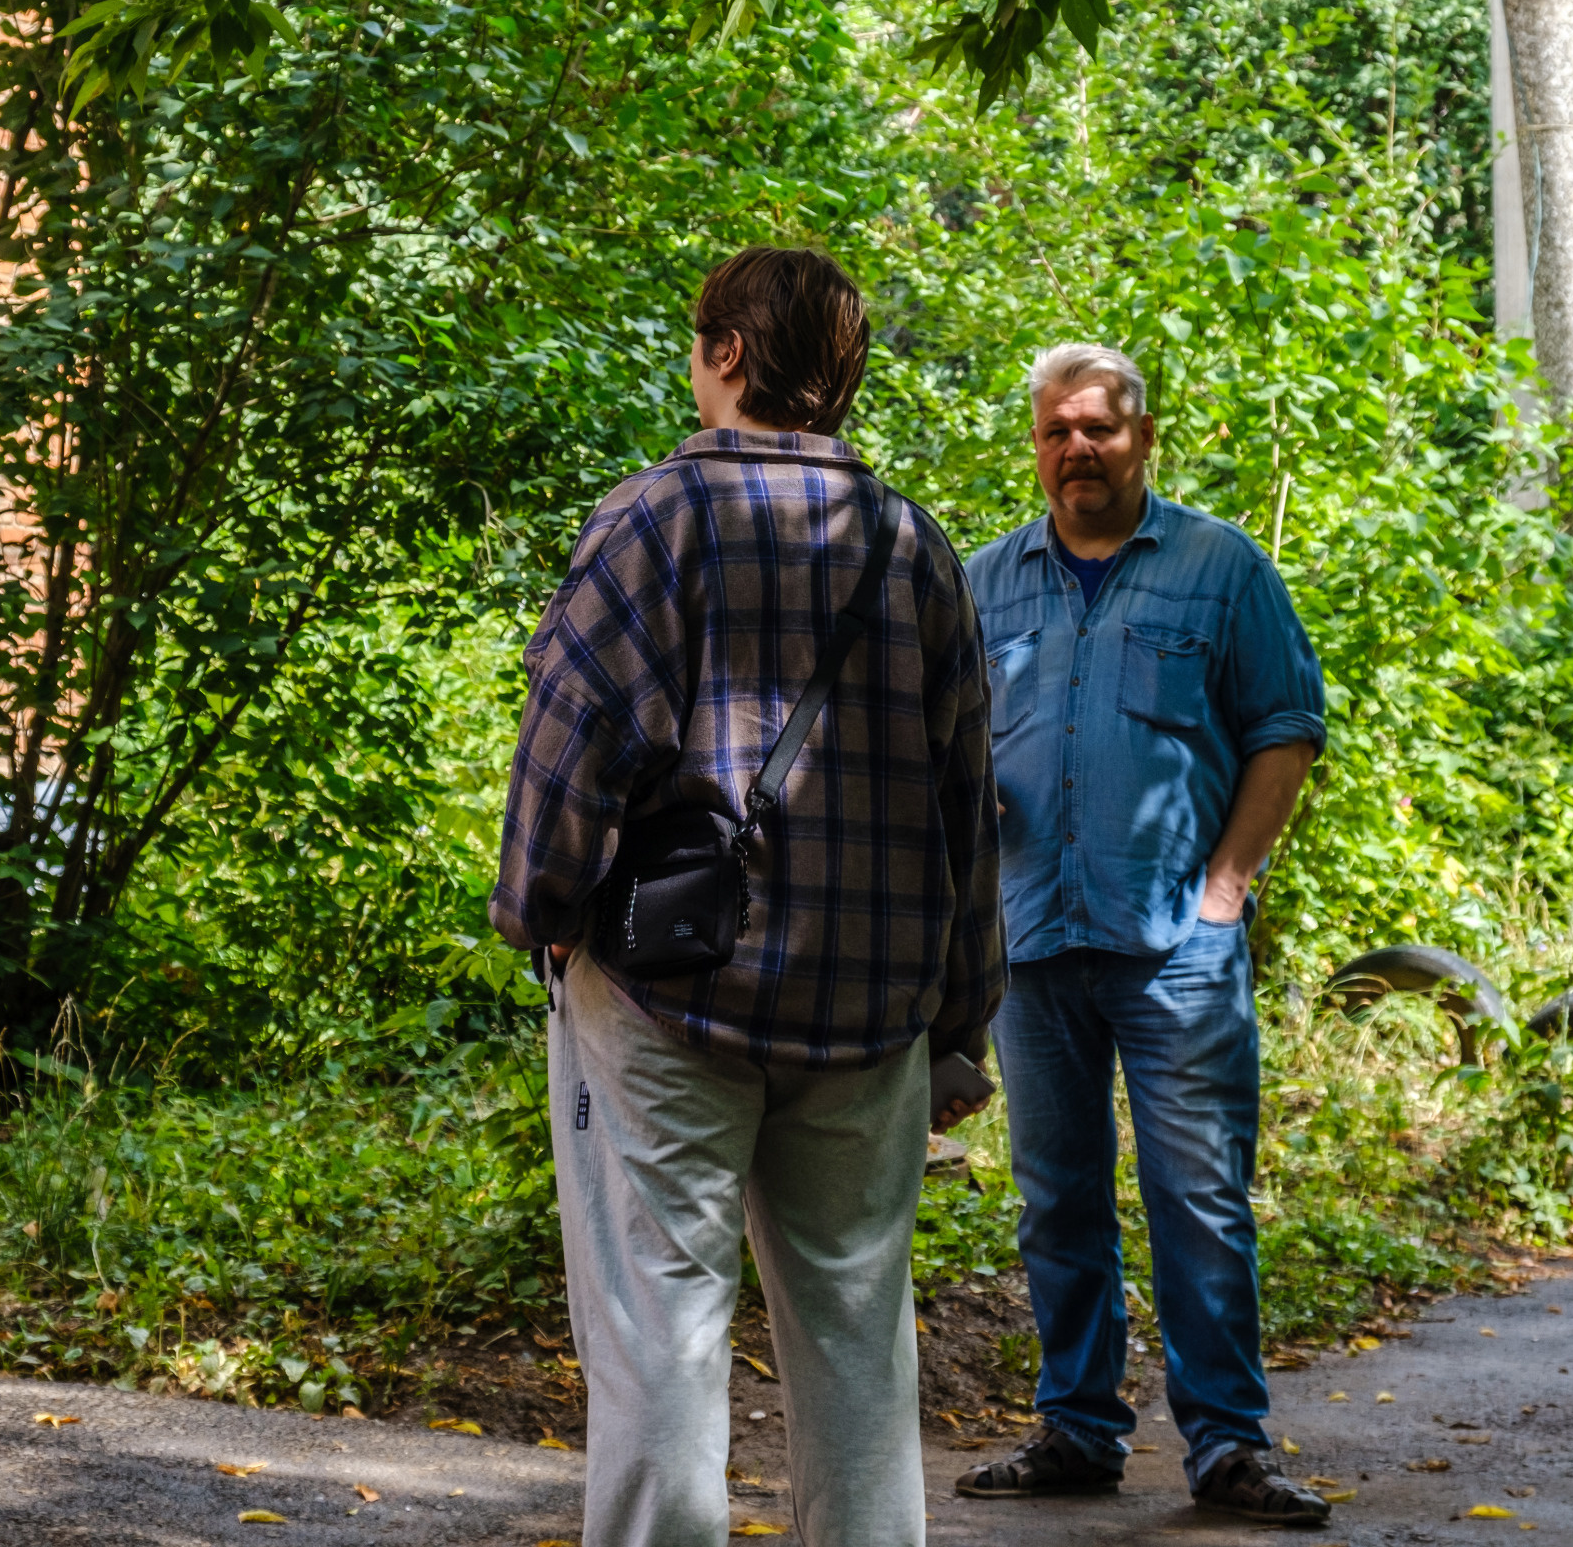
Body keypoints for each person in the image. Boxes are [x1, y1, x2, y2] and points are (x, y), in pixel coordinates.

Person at [497, 245, 1004, 1547]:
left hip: (672, 999)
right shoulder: (915, 546)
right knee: (857, 1348)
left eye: (696, 341)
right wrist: (960, 1020)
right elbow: (965, 808)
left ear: (726, 354)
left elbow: (570, 746)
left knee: (661, 1335)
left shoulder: (653, 521)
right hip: (869, 1015)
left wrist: (546, 917)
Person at [953, 344, 1330, 1525]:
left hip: (1178, 943)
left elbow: (1287, 727)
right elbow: (942, 742)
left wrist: (1229, 882)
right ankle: (1078, 1427)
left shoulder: (1221, 569)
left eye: (1100, 430)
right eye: (1058, 430)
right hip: (1032, 943)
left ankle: (1227, 1442)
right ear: (1036, 443)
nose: (1079, 450)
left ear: (1143, 436)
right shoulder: (983, 583)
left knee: (1199, 1197)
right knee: (1055, 1197)